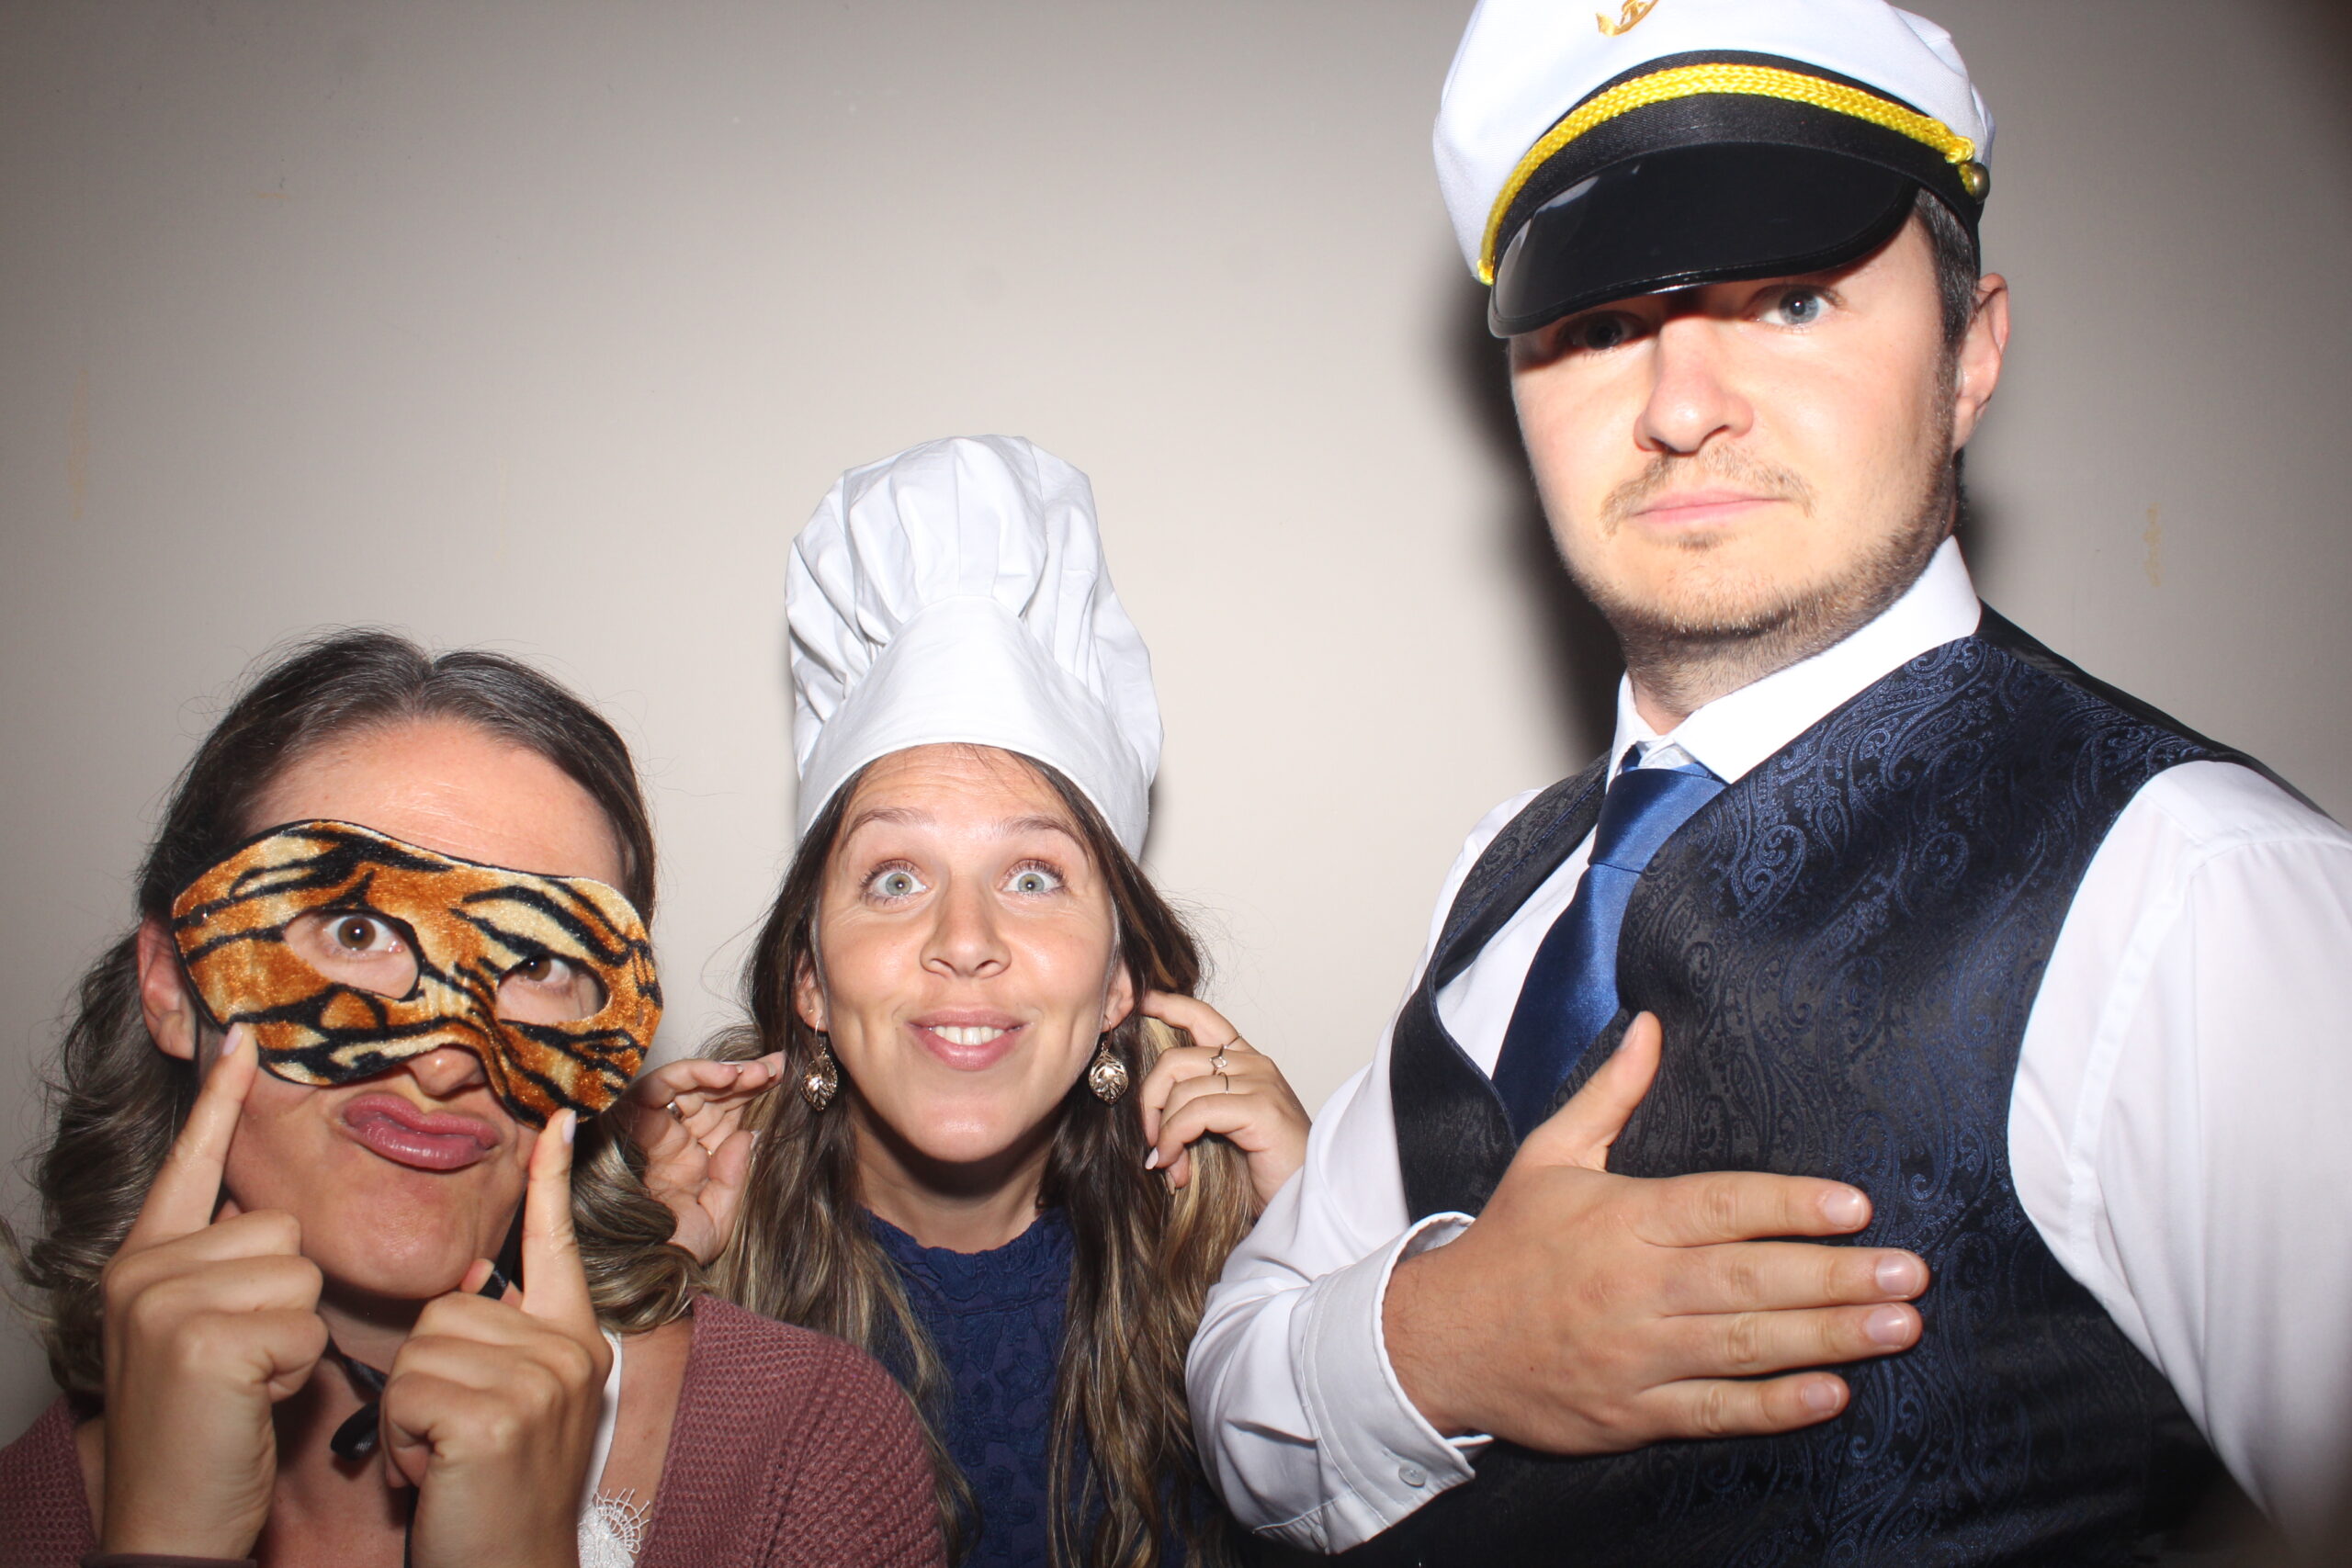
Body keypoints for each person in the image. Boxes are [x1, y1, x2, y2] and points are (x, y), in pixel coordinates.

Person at [1187, 0, 2352, 1562]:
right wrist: (1447, 1337)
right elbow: (1234, 1372)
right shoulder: (1507, 878)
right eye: (1600, 324)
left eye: (1793, 299)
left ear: (1973, 351)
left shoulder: (2197, 903)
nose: (1680, 405)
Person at [0, 629, 943, 1568]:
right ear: (172, 985)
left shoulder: (804, 1451)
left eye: (535, 963)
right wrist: (164, 1545)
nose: (449, 1061)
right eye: (355, 931)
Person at [628, 434, 1312, 1568]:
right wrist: (630, 1300)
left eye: (1032, 877)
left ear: (1118, 981)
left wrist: (1317, 1250)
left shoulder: (1234, 1279)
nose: (963, 942)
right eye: (894, 880)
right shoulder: (688, 1272)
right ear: (810, 979)